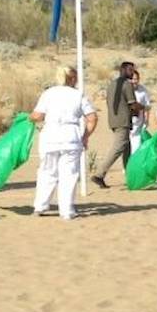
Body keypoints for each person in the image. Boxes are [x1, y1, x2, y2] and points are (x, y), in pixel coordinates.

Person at [30, 66, 98, 220]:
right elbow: (92, 118)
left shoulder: (48, 93)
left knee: (47, 172)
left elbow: (38, 115)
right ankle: (66, 210)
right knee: (69, 175)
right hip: (70, 137)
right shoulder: (78, 95)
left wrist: (29, 117)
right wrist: (85, 136)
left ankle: (40, 206)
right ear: (72, 79)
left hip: (50, 136)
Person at [92, 60, 139, 189]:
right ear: (123, 70)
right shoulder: (127, 84)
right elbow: (132, 103)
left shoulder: (112, 84)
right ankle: (99, 174)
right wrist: (142, 108)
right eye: (130, 70)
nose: (132, 72)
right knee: (118, 147)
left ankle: (131, 176)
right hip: (122, 120)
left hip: (114, 119)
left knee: (126, 149)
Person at [128, 69, 151, 152]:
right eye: (132, 79)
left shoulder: (143, 90)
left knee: (136, 147)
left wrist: (146, 120)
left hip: (138, 122)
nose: (134, 81)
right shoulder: (125, 90)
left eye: (136, 79)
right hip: (126, 123)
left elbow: (147, 106)